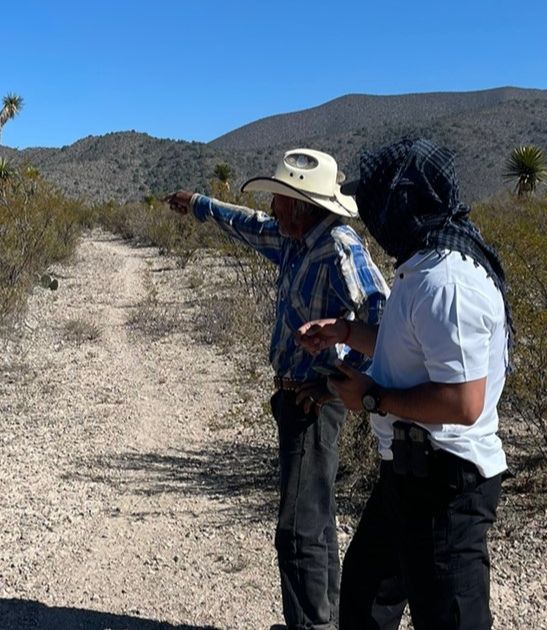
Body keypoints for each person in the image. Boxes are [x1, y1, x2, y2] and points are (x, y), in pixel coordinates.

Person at [165, 149, 389, 630]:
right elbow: (245, 223)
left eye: (281, 199)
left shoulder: (339, 248)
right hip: (294, 398)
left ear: (303, 206)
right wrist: (199, 203)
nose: (272, 206)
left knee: (297, 529)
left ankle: (310, 626)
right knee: (315, 518)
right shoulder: (294, 241)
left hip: (314, 401)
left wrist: (335, 384)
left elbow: (384, 322)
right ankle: (325, 621)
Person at [297, 138, 511, 630]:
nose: (371, 219)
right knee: (366, 600)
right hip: (408, 475)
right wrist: (347, 332)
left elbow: (463, 401)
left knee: (448, 618)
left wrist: (371, 397)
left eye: (375, 205)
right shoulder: (426, 268)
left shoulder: (446, 283)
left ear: (400, 205)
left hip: (447, 484)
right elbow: (410, 347)